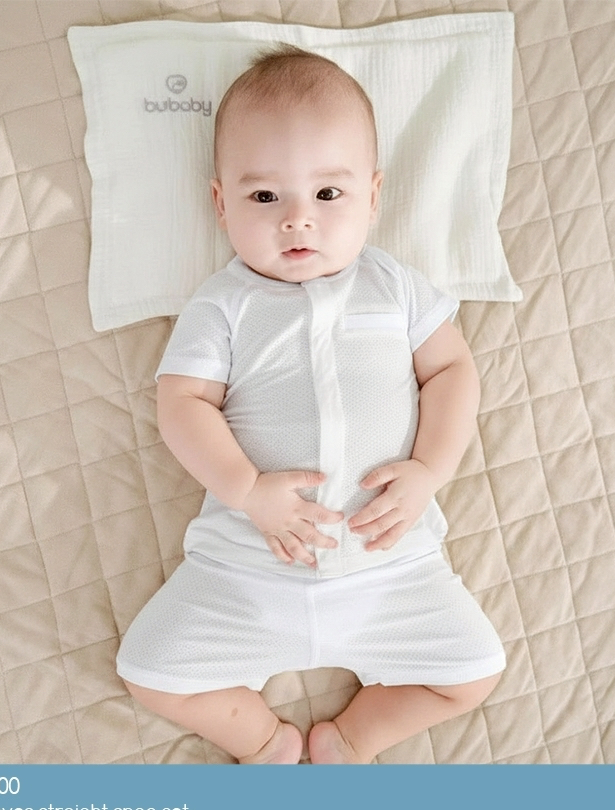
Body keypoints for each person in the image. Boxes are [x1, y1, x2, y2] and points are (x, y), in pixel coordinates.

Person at [116, 45, 506, 764]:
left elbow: (452, 370)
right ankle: (263, 739)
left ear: (373, 196)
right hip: (249, 566)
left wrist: (430, 470)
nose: (298, 220)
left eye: (328, 194)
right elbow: (183, 402)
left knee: (474, 672)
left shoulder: (395, 287)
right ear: (221, 203)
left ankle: (353, 736)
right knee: (149, 671)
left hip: (390, 568)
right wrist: (247, 491)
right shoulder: (223, 304)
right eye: (265, 198)